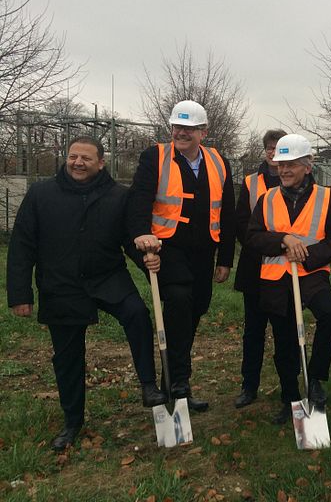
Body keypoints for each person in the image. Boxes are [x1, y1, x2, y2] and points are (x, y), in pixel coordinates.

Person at [6, 136, 167, 452]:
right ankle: (72, 421)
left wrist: (146, 259)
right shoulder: (41, 194)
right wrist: (19, 293)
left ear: (101, 163)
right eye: (72, 156)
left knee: (136, 314)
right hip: (61, 285)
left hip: (107, 278)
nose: (78, 163)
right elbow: (22, 245)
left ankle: (149, 385)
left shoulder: (118, 196)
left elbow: (129, 239)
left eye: (86, 158)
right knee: (67, 356)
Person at [127, 100, 236, 412]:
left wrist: (225, 258)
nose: (181, 133)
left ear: (203, 131)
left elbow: (226, 210)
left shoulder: (218, 162)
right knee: (178, 299)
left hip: (204, 250)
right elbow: (138, 202)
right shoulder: (155, 158)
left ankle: (174, 379)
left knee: (195, 308)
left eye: (189, 128)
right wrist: (140, 236)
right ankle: (179, 384)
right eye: (177, 127)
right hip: (166, 248)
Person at [246, 134, 331, 424]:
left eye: (291, 164)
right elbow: (252, 237)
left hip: (312, 274)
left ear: (308, 165)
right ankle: (290, 398)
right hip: (276, 278)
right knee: (285, 340)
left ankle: (314, 379)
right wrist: (283, 241)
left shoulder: (329, 199)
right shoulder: (267, 199)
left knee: (329, 316)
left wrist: (306, 255)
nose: (284, 170)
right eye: (281, 165)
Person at [233, 128, 286, 408]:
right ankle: (248, 385)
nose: (274, 153)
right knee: (253, 330)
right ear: (264, 151)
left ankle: (289, 386)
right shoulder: (251, 183)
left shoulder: (302, 179)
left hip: (286, 266)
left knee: (284, 330)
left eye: (279, 148)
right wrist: (264, 244)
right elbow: (241, 222)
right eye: (270, 148)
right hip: (255, 266)